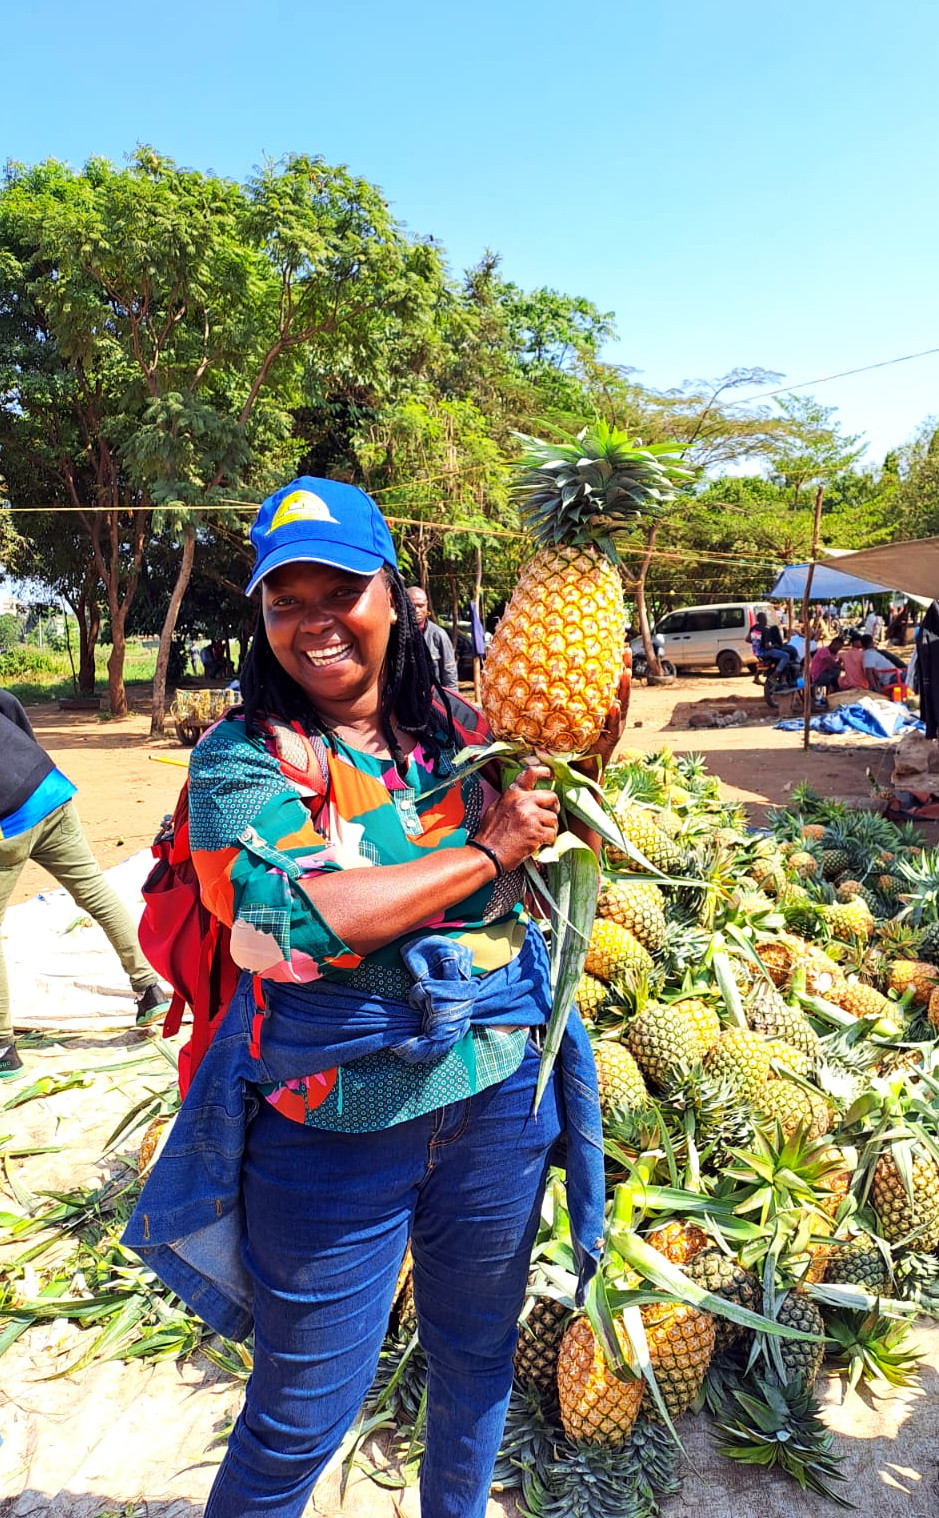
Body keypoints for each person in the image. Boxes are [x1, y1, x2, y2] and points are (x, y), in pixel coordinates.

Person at [123, 475, 618, 1518]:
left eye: (337, 589)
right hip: (333, 1132)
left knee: (476, 1362)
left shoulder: (462, 732)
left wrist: (578, 775)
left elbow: (538, 884)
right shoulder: (239, 758)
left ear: (391, 595)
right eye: (283, 600)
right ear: (261, 617)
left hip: (494, 1106)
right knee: (301, 1415)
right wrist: (485, 847)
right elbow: (281, 923)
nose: (313, 622)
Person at [0, 690, 168, 1078]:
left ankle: (4, 1049)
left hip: (8, 820)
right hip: (47, 788)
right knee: (94, 890)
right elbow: (11, 707)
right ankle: (149, 990)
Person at [406, 586, 460, 690]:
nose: (417, 610)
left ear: (426, 605)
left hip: (432, 700)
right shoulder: (395, 635)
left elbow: (449, 674)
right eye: (411, 606)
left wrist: (452, 703)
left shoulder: (439, 635)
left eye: (420, 606)